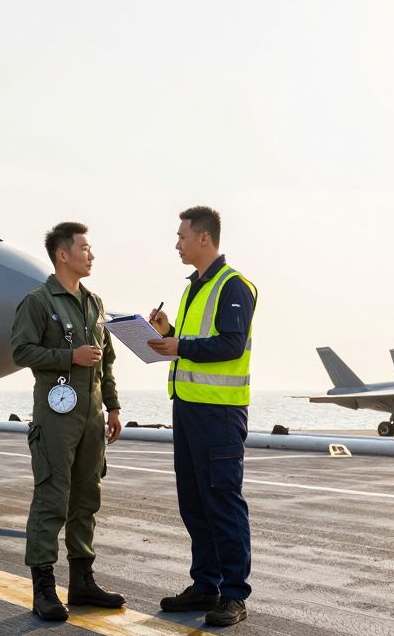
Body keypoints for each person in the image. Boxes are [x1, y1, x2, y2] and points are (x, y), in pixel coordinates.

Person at [147, 206, 256, 627]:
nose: (177, 243)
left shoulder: (234, 286)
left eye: (181, 236)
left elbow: (230, 345)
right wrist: (169, 332)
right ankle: (205, 585)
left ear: (204, 239)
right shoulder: (195, 287)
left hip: (219, 414)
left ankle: (234, 595)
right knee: (194, 502)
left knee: (223, 501)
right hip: (189, 408)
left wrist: (180, 346)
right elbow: (198, 341)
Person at [10, 221, 125, 622]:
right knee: (51, 497)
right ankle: (43, 587)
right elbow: (21, 351)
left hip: (91, 415)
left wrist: (112, 407)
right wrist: (67, 358)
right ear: (63, 254)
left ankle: (81, 581)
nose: (91, 254)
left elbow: (106, 360)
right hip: (57, 416)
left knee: (86, 497)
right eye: (85, 248)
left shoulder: (94, 302)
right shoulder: (38, 301)